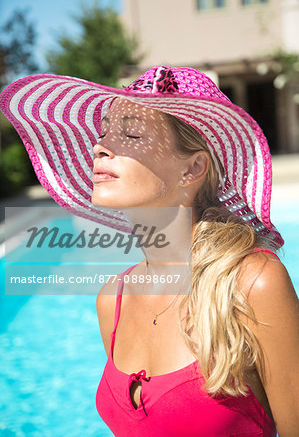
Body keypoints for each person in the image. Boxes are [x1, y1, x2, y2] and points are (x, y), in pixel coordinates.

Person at [0, 65, 298, 436]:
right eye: (104, 131)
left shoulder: (251, 284)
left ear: (193, 168)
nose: (100, 146)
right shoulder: (113, 299)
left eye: (132, 133)